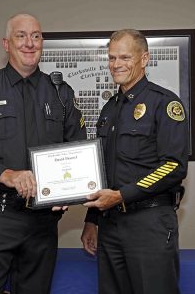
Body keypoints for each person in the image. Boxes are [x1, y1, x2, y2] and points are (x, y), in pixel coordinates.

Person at [0, 13, 86, 294]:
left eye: (36, 36)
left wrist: (67, 191)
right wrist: (5, 174)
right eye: (20, 36)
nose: (29, 43)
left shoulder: (60, 93)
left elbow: (77, 147)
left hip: (42, 223)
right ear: (6, 43)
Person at [81, 29, 189, 294]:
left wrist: (121, 195)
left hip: (149, 223)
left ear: (144, 59)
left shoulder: (164, 104)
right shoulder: (109, 109)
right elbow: (104, 169)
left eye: (125, 57)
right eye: (112, 58)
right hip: (110, 225)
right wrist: (92, 219)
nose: (116, 64)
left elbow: (173, 166)